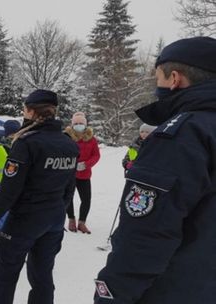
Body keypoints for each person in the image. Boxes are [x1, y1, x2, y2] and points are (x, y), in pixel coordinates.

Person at [94, 36, 216, 303]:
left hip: (177, 289)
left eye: (157, 77)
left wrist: (111, 294)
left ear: (174, 79)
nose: (156, 85)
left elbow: (146, 235)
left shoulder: (183, 134)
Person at [0, 89, 78, 304]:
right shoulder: (68, 143)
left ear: (32, 112)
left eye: (25, 110)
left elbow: (9, 190)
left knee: (6, 274)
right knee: (42, 276)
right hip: (53, 220)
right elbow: (70, 188)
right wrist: (57, 211)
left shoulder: (27, 142)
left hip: (25, 219)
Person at [64, 112, 100, 234]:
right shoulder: (67, 137)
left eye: (81, 123)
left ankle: (82, 222)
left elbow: (96, 155)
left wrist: (86, 164)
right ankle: (71, 219)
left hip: (85, 174)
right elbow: (62, 153)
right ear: (72, 125)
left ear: (85, 125)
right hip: (70, 174)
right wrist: (73, 164)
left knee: (86, 199)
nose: (79, 125)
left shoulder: (91, 139)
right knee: (68, 197)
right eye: (76, 123)